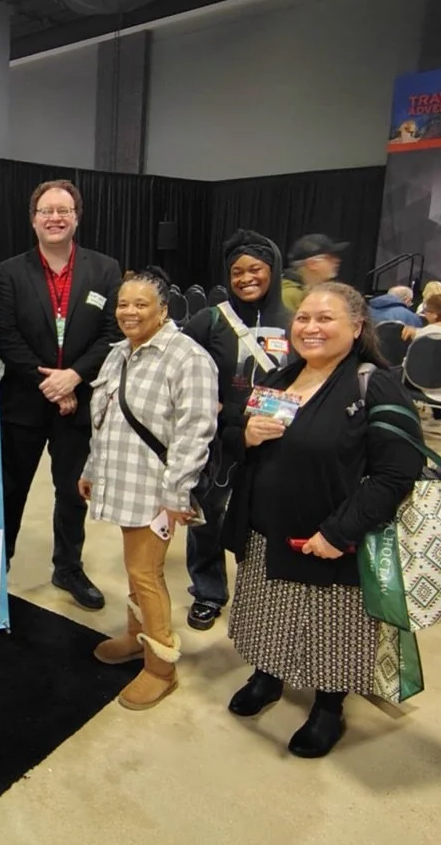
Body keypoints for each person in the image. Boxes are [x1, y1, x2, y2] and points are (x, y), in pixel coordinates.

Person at [223, 282, 424, 758]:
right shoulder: (277, 378)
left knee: (330, 631)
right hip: (265, 531)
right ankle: (267, 675)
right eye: (304, 318)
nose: (310, 327)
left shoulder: (373, 384)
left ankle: (329, 708)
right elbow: (236, 442)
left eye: (325, 318)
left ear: (356, 327)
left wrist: (340, 531)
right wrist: (245, 436)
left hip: (329, 539)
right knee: (266, 614)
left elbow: (397, 472)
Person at [79, 268, 217, 710]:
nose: (129, 312)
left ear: (163, 309)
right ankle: (137, 638)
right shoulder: (117, 353)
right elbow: (103, 420)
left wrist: (176, 495)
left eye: (141, 304)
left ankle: (161, 667)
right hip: (120, 479)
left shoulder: (187, 357)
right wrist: (91, 467)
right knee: (135, 568)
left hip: (157, 490)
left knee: (146, 573)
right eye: (123, 304)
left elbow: (196, 432)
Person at [0, 179, 120, 610]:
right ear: (33, 220)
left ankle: (67, 566)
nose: (55, 217)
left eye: (63, 210)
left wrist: (74, 379)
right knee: (12, 490)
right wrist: (50, 383)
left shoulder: (105, 270)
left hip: (79, 402)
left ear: (76, 217)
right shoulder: (9, 273)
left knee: (72, 491)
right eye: (46, 211)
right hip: (24, 402)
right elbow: (6, 338)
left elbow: (111, 335)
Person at [181, 230, 294, 631]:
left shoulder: (295, 322)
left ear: (273, 270)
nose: (246, 278)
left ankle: (262, 600)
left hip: (275, 438)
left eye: (255, 269)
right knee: (207, 518)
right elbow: (181, 369)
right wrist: (226, 415)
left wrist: (255, 419)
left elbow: (300, 381)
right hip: (218, 442)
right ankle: (208, 591)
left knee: (264, 524)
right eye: (236, 272)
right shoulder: (209, 318)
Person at [282, 234, 347, 313]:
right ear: (312, 263)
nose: (337, 261)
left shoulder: (306, 292)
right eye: (329, 258)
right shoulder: (289, 295)